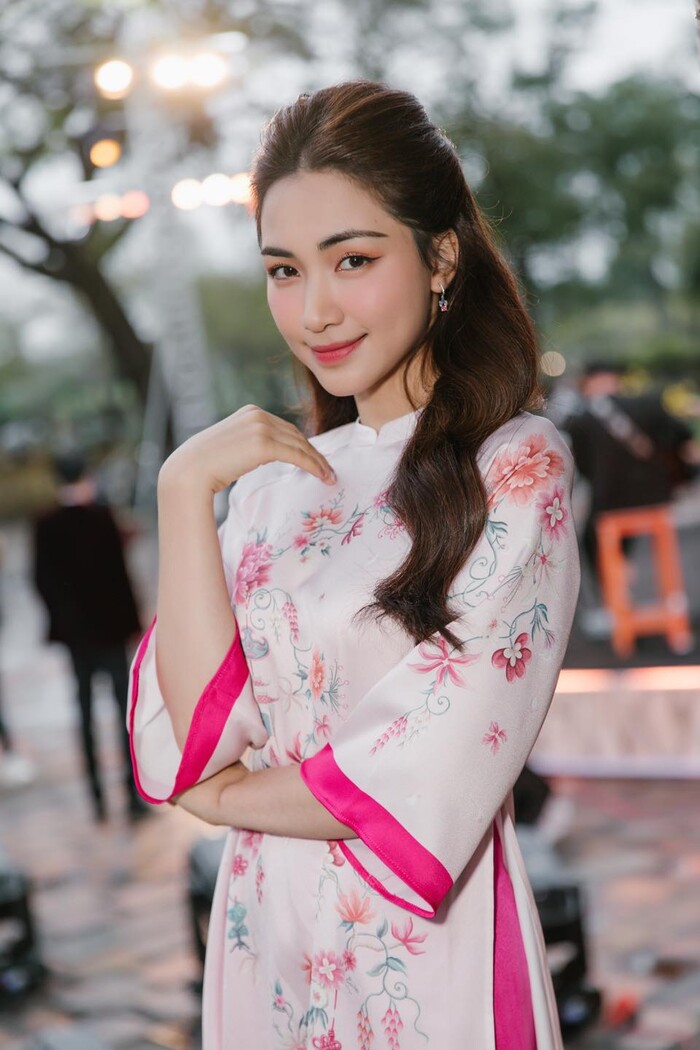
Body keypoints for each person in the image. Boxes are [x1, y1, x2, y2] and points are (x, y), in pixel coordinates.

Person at [128, 81, 580, 1048]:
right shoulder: (267, 489)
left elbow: (434, 756)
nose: (316, 310)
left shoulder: (515, 468)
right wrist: (182, 489)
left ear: (441, 257)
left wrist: (228, 799)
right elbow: (191, 737)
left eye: (354, 260)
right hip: (264, 930)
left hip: (424, 943)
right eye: (284, 271)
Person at [33, 451, 148, 822]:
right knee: (124, 712)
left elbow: (42, 582)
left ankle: (96, 798)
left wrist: (65, 626)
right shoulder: (102, 517)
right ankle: (132, 794)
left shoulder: (45, 524)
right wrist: (134, 623)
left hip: (77, 639)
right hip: (111, 632)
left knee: (84, 712)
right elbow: (120, 577)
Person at [565, 362, 697, 590]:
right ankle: (671, 593)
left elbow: (584, 466)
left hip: (610, 501)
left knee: (590, 536)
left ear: (589, 382)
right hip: (657, 495)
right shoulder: (648, 404)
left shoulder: (580, 419)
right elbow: (682, 436)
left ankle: (615, 583)